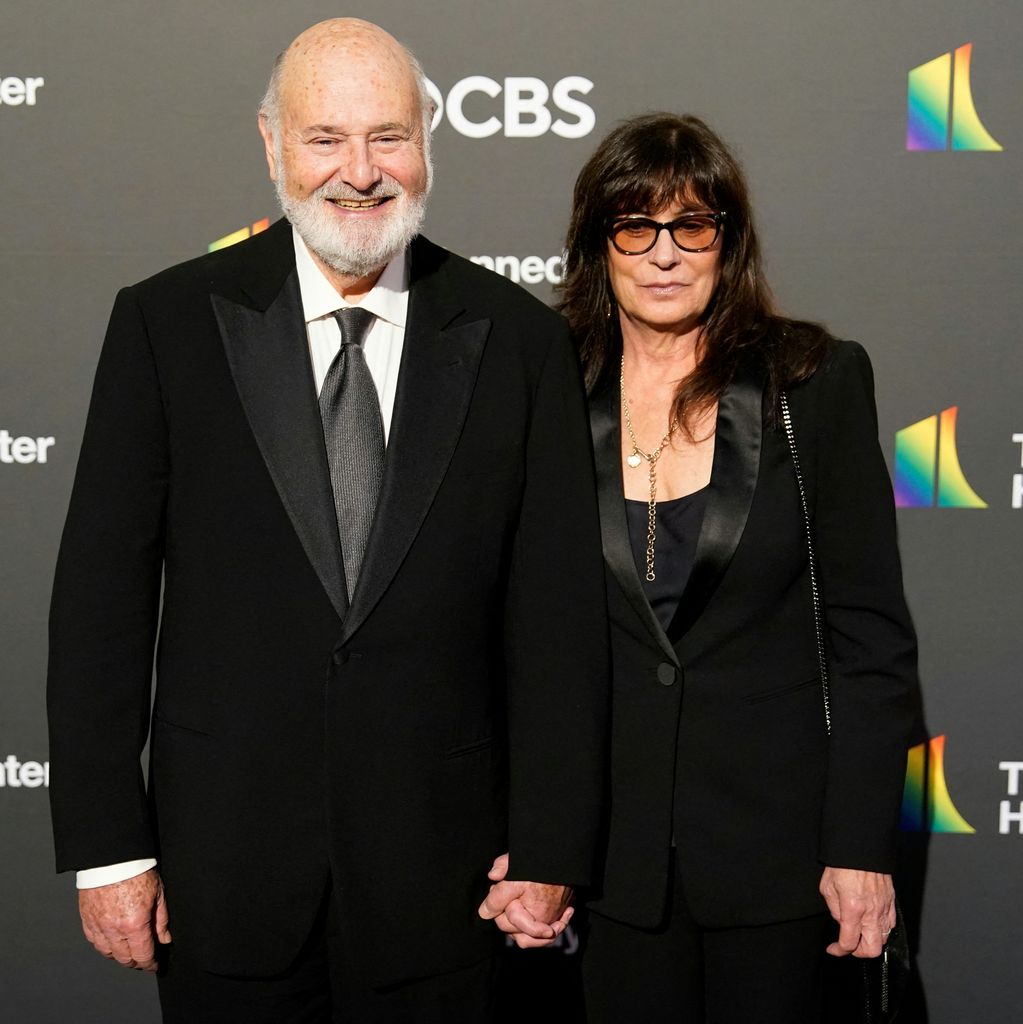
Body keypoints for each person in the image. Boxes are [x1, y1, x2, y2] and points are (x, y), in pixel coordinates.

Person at [47, 18, 607, 1022]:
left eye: (388, 136)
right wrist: (108, 848)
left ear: (428, 143)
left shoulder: (516, 339)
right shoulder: (166, 324)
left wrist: (553, 839)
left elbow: (556, 616)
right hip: (222, 880)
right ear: (271, 144)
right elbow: (101, 605)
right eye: (325, 139)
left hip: (449, 883)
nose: (360, 171)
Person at [558, 113, 921, 1023]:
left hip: (782, 858)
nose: (665, 254)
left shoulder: (814, 383)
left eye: (694, 226)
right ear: (599, 243)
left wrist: (860, 847)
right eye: (635, 227)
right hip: (609, 863)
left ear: (728, 240)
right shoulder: (546, 388)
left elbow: (870, 638)